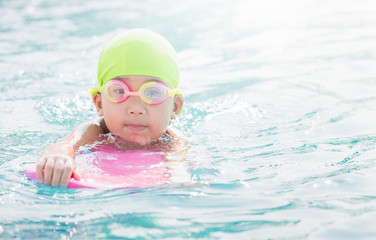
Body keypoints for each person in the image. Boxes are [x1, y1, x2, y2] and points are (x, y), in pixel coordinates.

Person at [36, 29, 185, 187]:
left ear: (175, 106)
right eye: (120, 91)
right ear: (99, 103)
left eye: (153, 92)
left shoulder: (175, 143)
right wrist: (59, 155)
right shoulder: (95, 130)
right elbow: (66, 144)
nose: (135, 108)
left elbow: (180, 171)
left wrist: (179, 180)